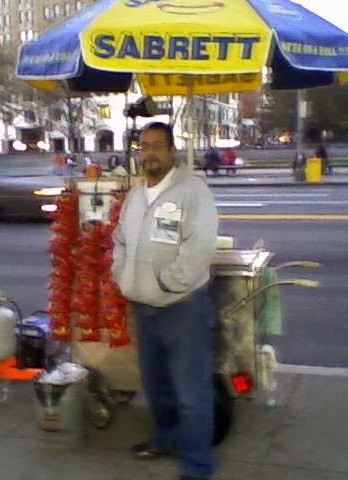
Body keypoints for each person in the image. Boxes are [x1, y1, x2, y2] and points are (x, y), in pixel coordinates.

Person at [112, 121, 218, 480]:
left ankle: (198, 465)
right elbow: (120, 240)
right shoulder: (137, 194)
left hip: (181, 306)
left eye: (158, 145)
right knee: (158, 386)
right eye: (145, 145)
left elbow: (200, 246)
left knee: (191, 391)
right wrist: (122, 274)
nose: (150, 152)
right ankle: (167, 439)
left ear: (172, 150)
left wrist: (169, 283)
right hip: (143, 305)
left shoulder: (193, 191)